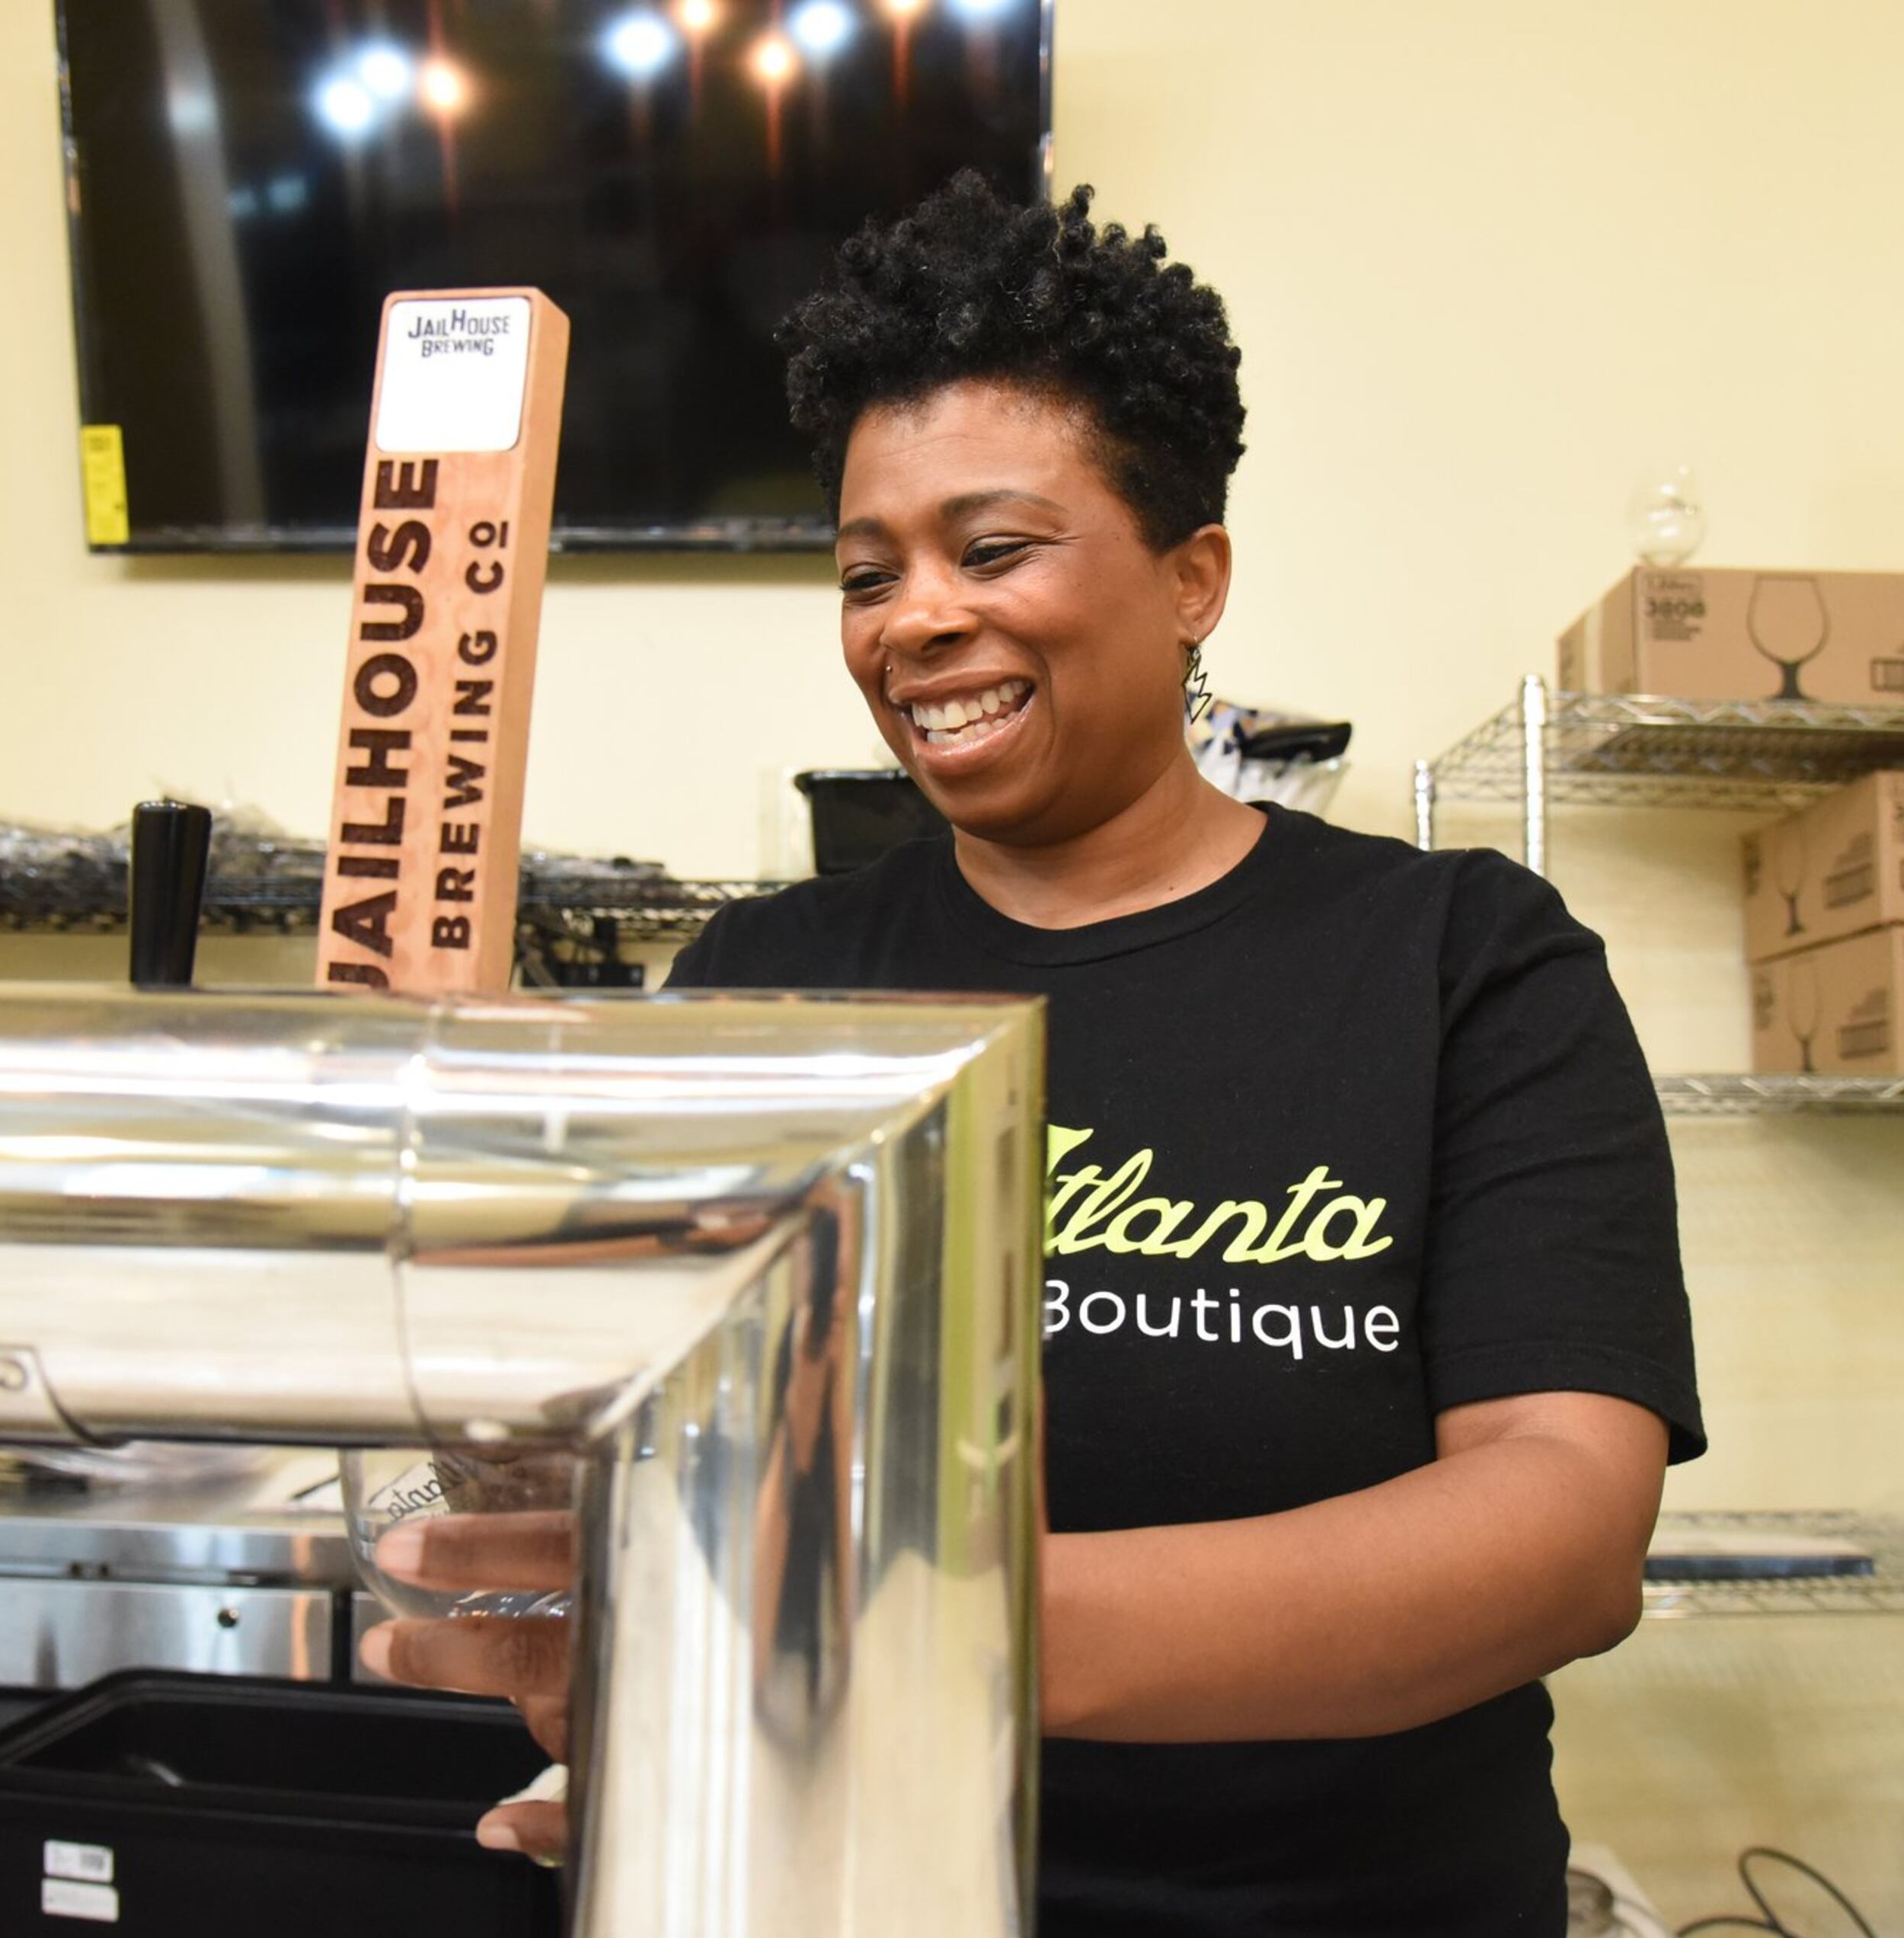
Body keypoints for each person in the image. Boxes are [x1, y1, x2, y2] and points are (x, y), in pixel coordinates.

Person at [361, 171, 1704, 1935]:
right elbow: (612, 1464)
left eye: (992, 551)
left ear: (1191, 573)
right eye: (866, 574)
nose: (913, 620)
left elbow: (1559, 1530)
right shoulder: (768, 987)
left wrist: (883, 1630)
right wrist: (512, 1442)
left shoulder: (1463, 964)